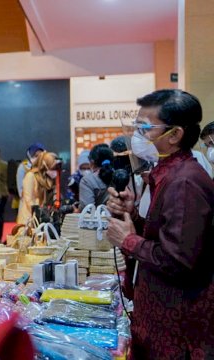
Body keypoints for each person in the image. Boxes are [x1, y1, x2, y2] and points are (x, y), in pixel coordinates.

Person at [106, 89, 214, 359]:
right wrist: (135, 215)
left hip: (176, 327)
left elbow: (178, 260)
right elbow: (166, 234)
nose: (138, 135)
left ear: (175, 135)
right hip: (157, 317)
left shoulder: (184, 181)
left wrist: (128, 240)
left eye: (146, 128)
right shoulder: (167, 174)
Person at [16, 152, 60, 224]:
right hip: (29, 218)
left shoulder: (48, 178)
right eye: (53, 168)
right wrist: (39, 213)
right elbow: (28, 199)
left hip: (42, 217)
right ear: (45, 166)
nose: (54, 171)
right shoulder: (30, 176)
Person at [78, 144, 114, 209]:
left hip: (98, 218)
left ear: (92, 163)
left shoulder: (87, 181)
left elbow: (87, 210)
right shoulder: (119, 176)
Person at [15, 143, 45, 208]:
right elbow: (21, 190)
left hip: (41, 203)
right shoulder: (23, 167)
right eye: (36, 155)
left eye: (41, 155)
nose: (39, 158)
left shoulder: (44, 167)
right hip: (27, 204)